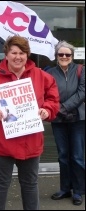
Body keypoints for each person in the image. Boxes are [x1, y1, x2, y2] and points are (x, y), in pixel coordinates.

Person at [0, 35, 59, 210]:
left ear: (27, 55)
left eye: (22, 53)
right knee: (0, 185)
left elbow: (53, 98)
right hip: (3, 142)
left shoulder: (41, 76)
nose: (17, 57)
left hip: (31, 142)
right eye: (14, 53)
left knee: (30, 185)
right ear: (6, 54)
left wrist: (47, 109)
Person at [46, 41, 85, 206]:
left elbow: (83, 91)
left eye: (67, 54)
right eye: (60, 54)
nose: (64, 57)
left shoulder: (81, 70)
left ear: (72, 56)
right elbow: (47, 92)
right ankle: (64, 188)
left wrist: (64, 107)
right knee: (63, 156)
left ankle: (78, 191)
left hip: (77, 118)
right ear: (56, 56)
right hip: (58, 119)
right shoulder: (50, 72)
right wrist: (57, 110)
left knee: (77, 156)